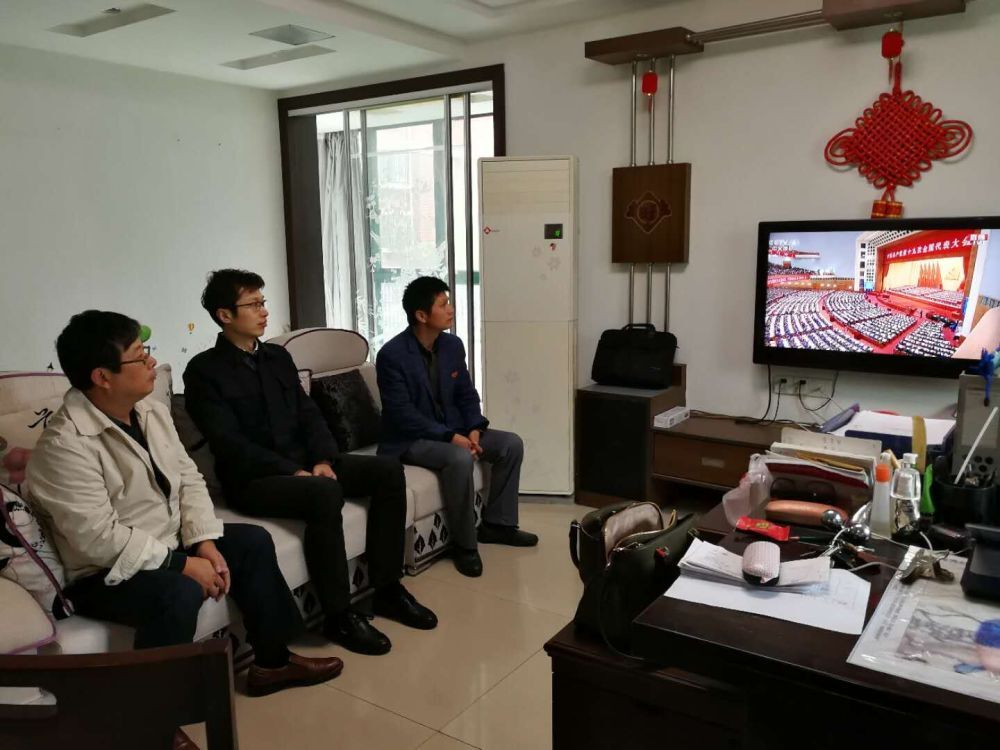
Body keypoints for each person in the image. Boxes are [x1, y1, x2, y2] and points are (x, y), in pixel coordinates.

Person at [27, 311, 343, 750]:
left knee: (251, 542)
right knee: (177, 592)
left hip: (168, 541)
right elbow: (96, 539)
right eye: (140, 355)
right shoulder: (64, 446)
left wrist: (203, 542)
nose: (152, 363)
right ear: (102, 376)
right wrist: (182, 565)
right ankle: (152, 724)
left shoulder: (150, 412)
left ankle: (271, 664)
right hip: (102, 571)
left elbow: (189, 479)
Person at [183, 269, 436, 657]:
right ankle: (339, 614)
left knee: (386, 471)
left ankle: (387, 588)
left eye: (263, 302)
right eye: (253, 304)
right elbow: (229, 443)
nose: (264, 311)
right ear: (225, 315)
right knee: (323, 494)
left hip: (306, 464)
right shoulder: (205, 371)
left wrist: (320, 458)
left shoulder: (277, 357)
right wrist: (293, 471)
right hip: (254, 480)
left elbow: (308, 413)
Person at [376, 276, 538, 578]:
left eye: (448, 302)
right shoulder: (392, 355)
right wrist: (452, 437)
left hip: (453, 430)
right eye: (443, 304)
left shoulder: (452, 345)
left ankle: (498, 525)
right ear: (421, 315)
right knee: (459, 458)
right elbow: (402, 415)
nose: (450, 309)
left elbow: (466, 394)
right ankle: (464, 545)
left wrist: (474, 428)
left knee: (510, 444)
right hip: (410, 439)